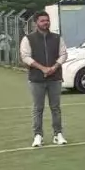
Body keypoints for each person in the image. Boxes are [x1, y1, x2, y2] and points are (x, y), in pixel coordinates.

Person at [20, 11, 68, 148]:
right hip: (36, 79)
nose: (45, 23)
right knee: (38, 108)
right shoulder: (28, 39)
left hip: (55, 78)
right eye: (42, 21)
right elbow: (26, 57)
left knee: (55, 108)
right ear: (36, 23)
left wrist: (54, 67)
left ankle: (58, 134)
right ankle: (38, 135)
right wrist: (43, 68)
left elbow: (63, 54)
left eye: (47, 20)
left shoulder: (57, 38)